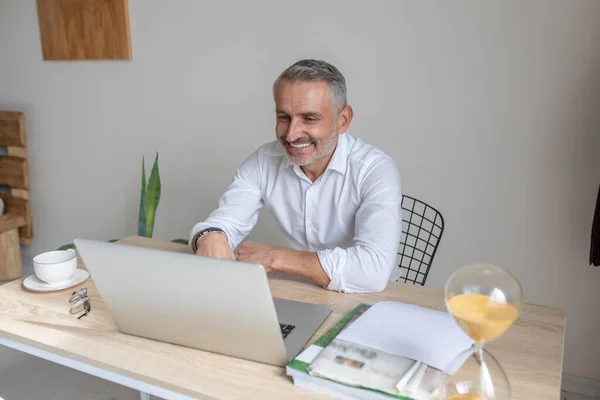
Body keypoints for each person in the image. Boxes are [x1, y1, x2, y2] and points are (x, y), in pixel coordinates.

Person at [189, 59, 403, 293]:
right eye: (284, 117)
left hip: (365, 299)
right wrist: (210, 237)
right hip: (294, 292)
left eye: (309, 119)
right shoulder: (264, 161)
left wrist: (278, 258)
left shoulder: (375, 169)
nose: (291, 135)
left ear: (343, 120)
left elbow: (372, 271)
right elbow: (221, 224)